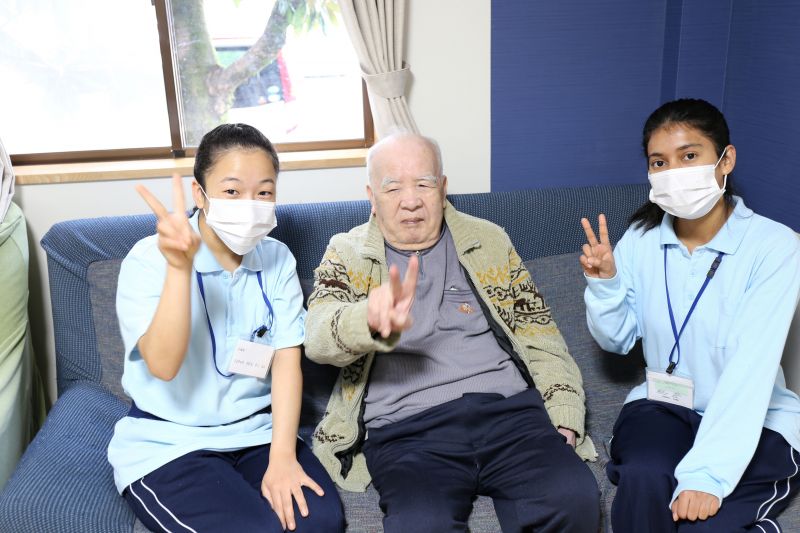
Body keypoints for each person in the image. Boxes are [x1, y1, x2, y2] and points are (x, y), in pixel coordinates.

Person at [305, 131, 600, 532]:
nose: (411, 200)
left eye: (424, 184)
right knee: (420, 524)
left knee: (574, 496)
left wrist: (564, 414)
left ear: (443, 188)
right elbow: (317, 337)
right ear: (371, 196)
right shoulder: (347, 252)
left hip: (509, 417)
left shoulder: (488, 240)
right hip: (408, 430)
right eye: (393, 188)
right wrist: (366, 320)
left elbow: (540, 335)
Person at [107, 123, 344, 533]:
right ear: (200, 195)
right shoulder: (147, 261)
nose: (250, 205)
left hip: (256, 432)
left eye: (264, 192)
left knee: (319, 522)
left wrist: (282, 458)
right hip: (171, 443)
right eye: (232, 191)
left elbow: (287, 363)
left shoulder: (277, 259)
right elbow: (162, 366)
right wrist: (179, 268)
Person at [581, 98, 800, 532]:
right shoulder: (640, 238)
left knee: (703, 523)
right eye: (659, 162)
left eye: (689, 156)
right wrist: (604, 284)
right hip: (663, 404)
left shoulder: (775, 247)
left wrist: (707, 476)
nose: (674, 172)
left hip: (757, 414)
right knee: (643, 476)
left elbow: (751, 368)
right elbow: (617, 341)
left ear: (725, 160)